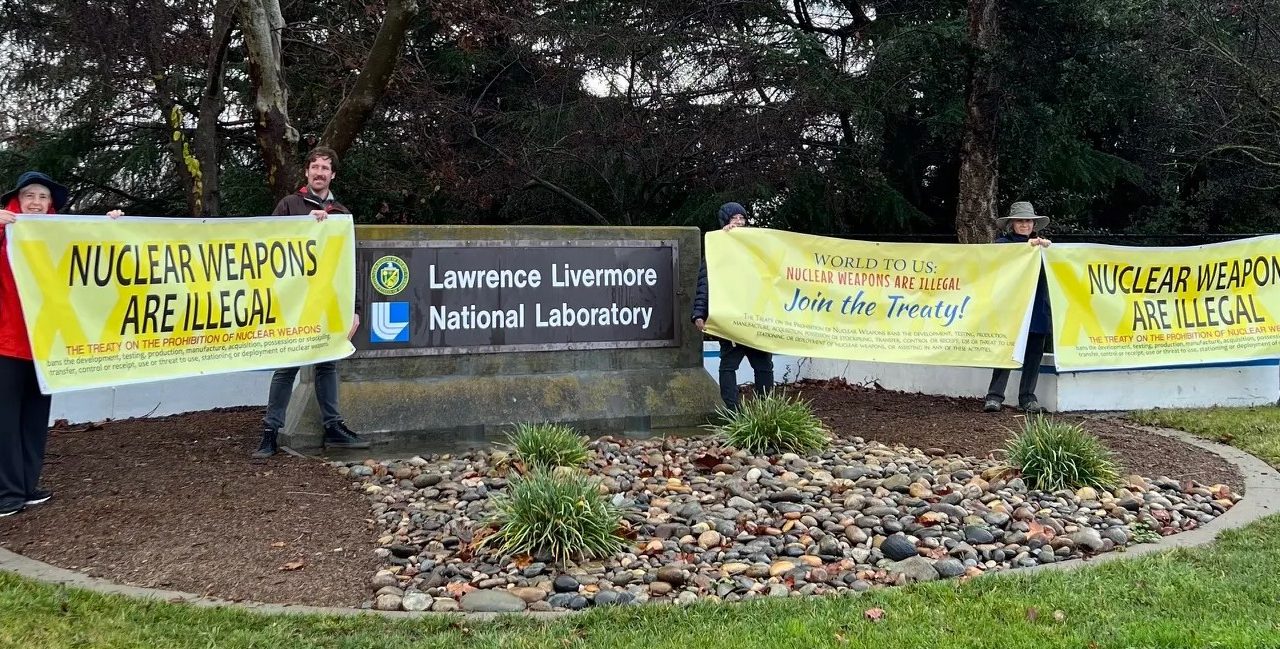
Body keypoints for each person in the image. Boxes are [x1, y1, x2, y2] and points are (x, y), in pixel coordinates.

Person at [0, 172, 122, 517]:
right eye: (29, 196)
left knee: (35, 419)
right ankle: (6, 492)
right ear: (17, 200)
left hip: (46, 345)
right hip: (6, 344)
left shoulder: (59, 234)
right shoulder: (5, 231)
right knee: (5, 420)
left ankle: (25, 484)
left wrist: (112, 225)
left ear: (50, 204)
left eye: (42, 196)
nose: (35, 202)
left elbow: (93, 249)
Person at [253, 146, 368, 457]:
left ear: (333, 175)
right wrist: (305, 224)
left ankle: (334, 427)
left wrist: (354, 310)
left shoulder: (341, 214)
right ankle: (270, 432)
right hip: (292, 304)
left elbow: (349, 265)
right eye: (314, 166)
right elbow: (267, 246)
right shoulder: (290, 205)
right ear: (306, 172)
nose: (319, 172)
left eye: (325, 168)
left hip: (328, 304)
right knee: (287, 366)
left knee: (327, 365)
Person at [691, 202, 775, 411]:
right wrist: (699, 313)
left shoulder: (755, 247)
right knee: (729, 365)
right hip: (730, 321)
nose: (739, 222)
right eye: (734, 218)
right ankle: (733, 411)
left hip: (755, 319)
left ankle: (765, 410)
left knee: (763, 365)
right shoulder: (716, 250)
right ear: (725, 221)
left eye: (742, 218)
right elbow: (705, 284)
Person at [983, 201, 1052, 414]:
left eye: (1028, 221)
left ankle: (1027, 397)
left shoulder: (1044, 247)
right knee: (1006, 351)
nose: (1025, 224)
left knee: (1034, 353)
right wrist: (1027, 248)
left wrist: (1047, 250)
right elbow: (999, 257)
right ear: (1012, 224)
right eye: (1020, 221)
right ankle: (994, 396)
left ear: (1034, 224)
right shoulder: (1003, 244)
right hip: (1012, 309)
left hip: (1037, 307)